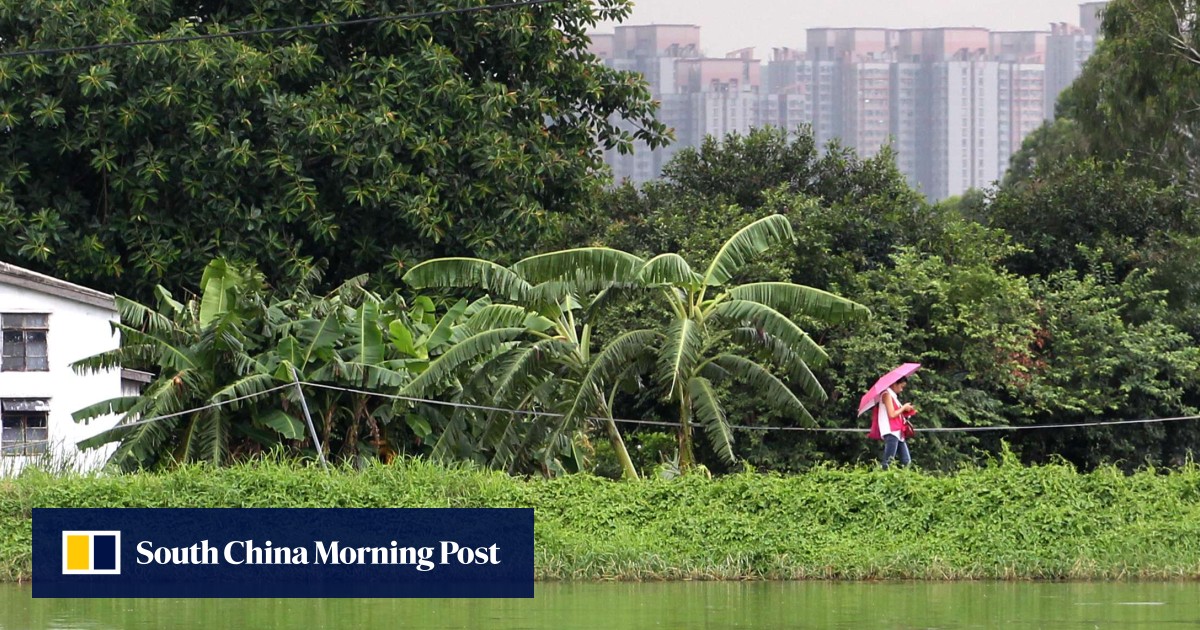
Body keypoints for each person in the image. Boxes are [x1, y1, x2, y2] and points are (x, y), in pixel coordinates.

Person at [872, 376, 916, 469]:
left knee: (906, 461)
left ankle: (904, 477)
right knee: (888, 460)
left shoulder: (893, 396)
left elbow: (897, 412)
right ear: (894, 384)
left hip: (897, 431)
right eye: (901, 386)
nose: (901, 390)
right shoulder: (886, 394)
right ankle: (883, 475)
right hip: (891, 430)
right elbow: (892, 414)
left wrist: (906, 410)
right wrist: (903, 407)